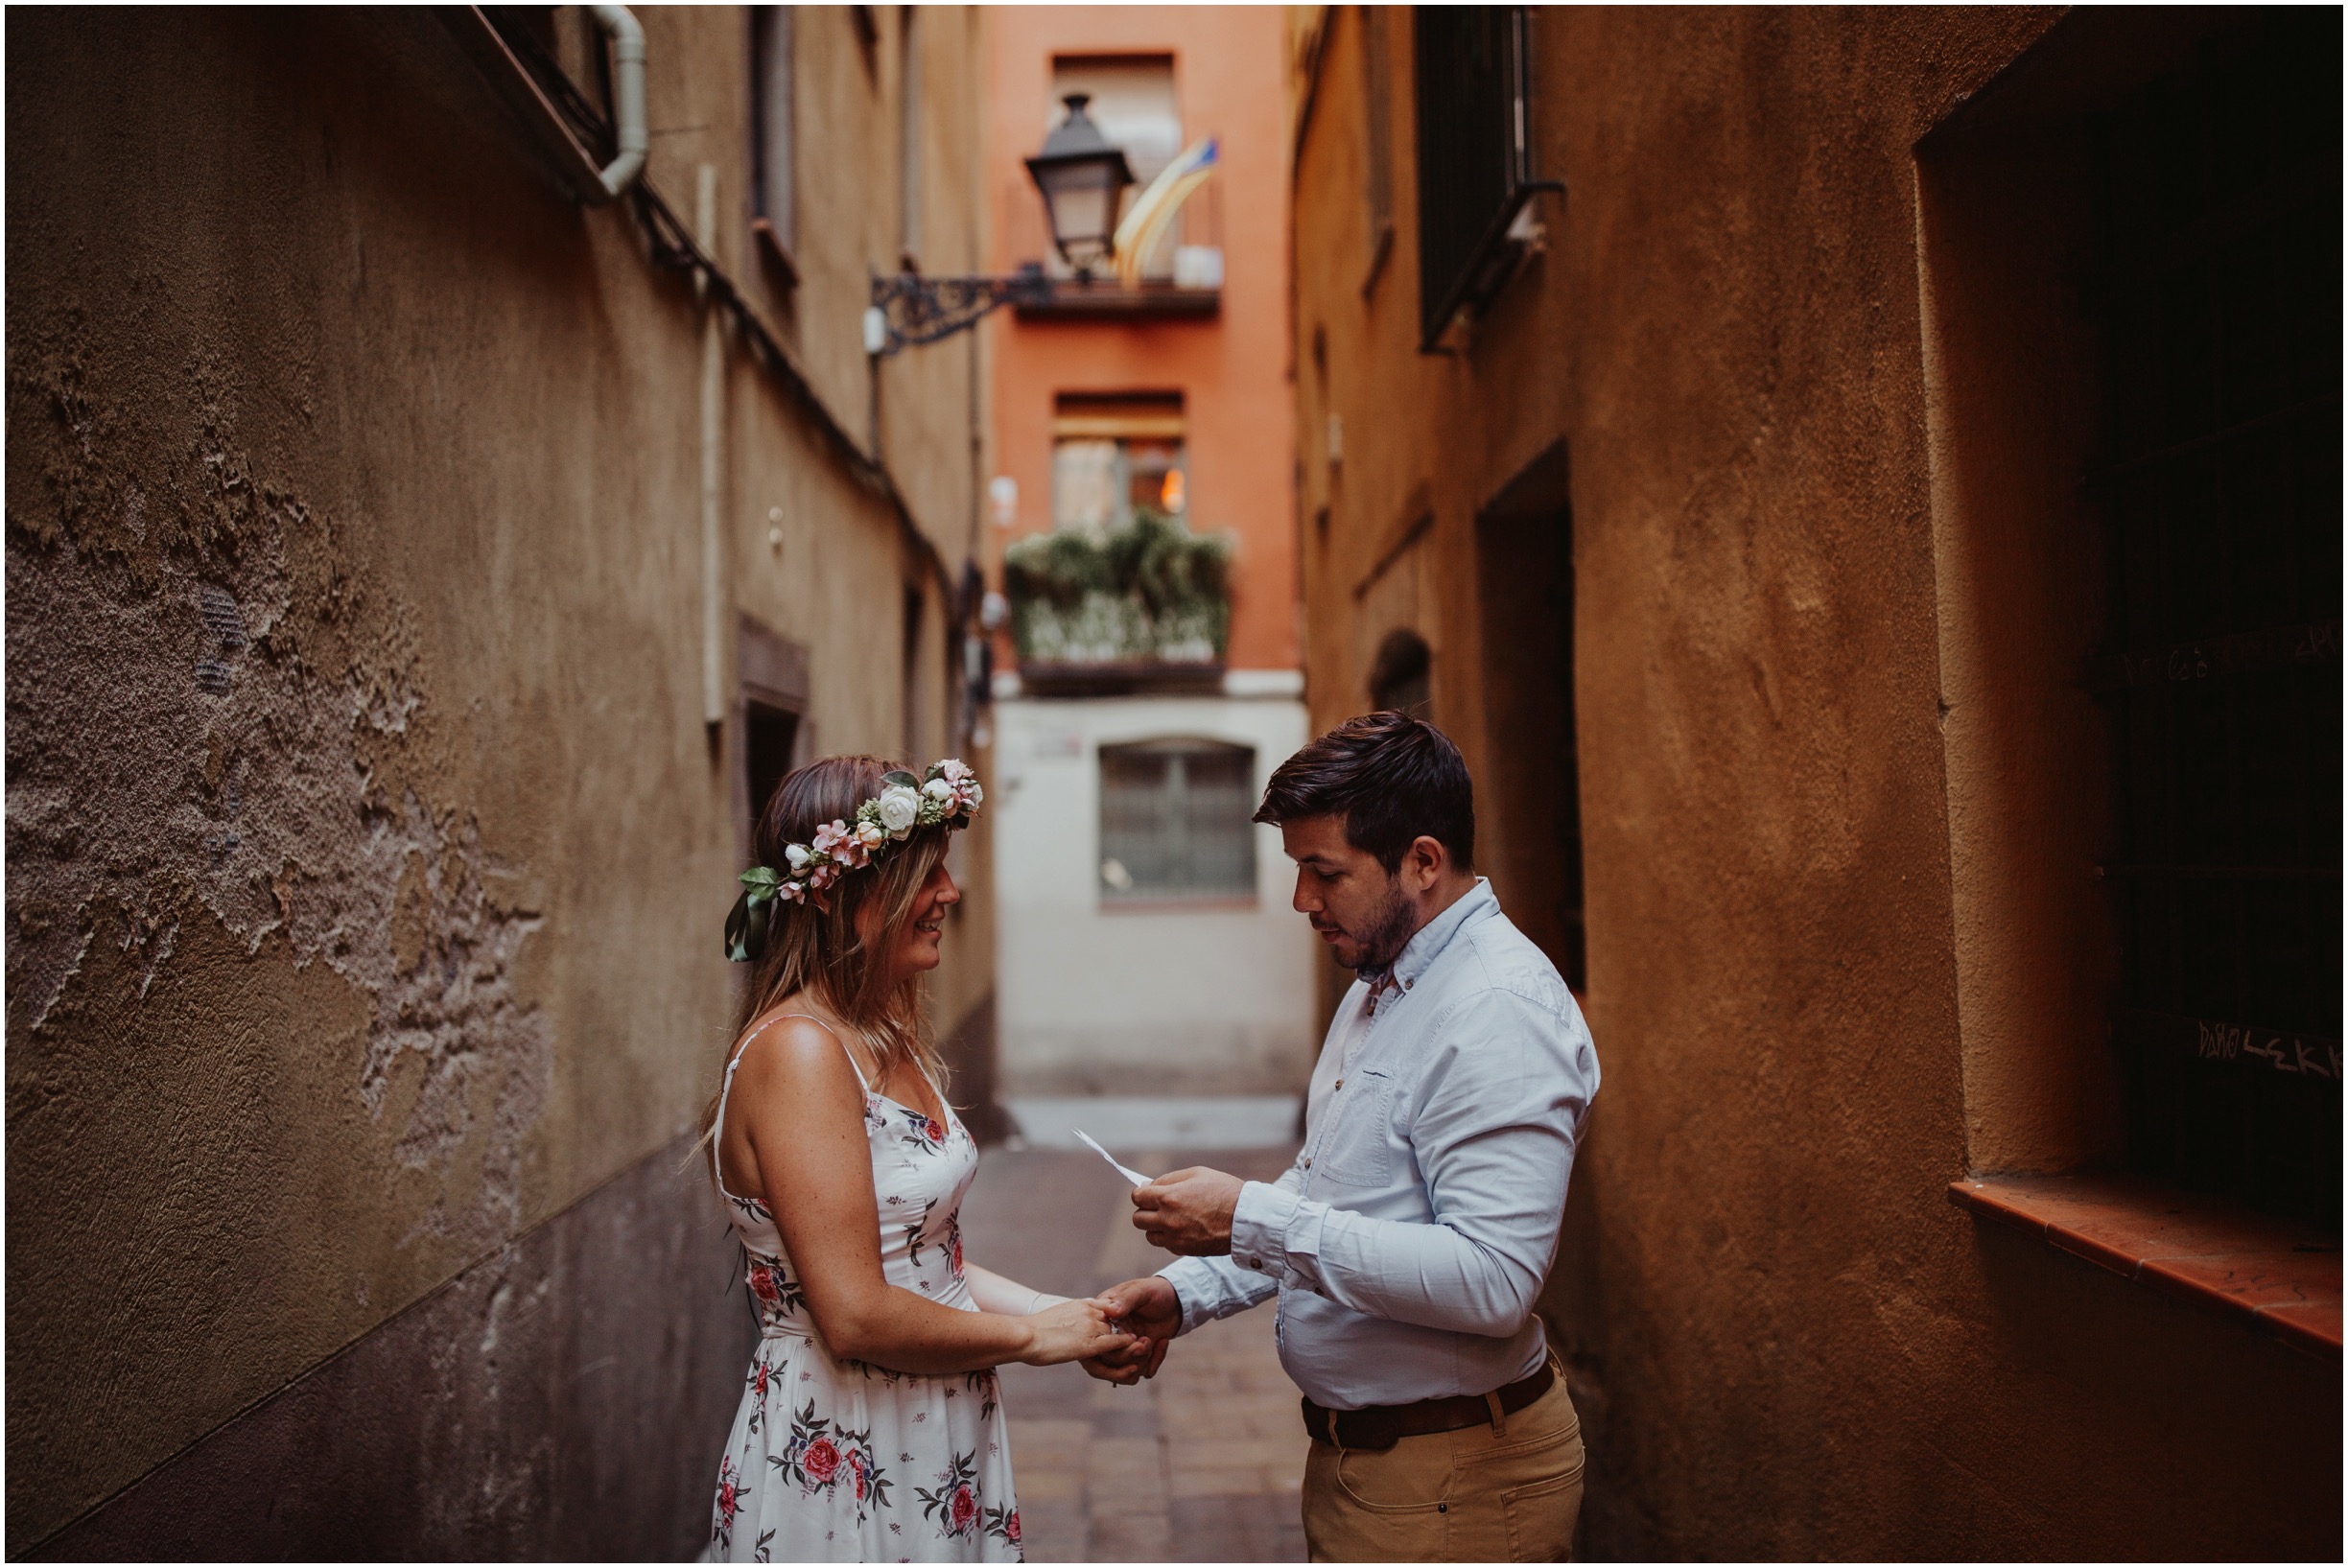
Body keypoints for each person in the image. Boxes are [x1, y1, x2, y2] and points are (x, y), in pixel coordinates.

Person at [1080, 714, 1600, 1562]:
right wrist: (1189, 1292)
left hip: (1457, 1483)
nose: (1301, 901)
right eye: (1297, 871)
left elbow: (1495, 1278)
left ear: (1423, 862)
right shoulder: (1381, 979)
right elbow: (1329, 1192)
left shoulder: (1496, 1010)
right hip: (1379, 1471)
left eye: (1325, 872)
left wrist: (1247, 1216)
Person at [702, 755, 1135, 1563]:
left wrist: (1066, 1312)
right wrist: (1033, 1337)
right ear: (837, 893)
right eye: (922, 872)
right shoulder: (799, 1053)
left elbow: (923, 1263)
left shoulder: (880, 1034)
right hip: (849, 1434)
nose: (949, 892)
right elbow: (858, 1312)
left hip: (928, 1419)